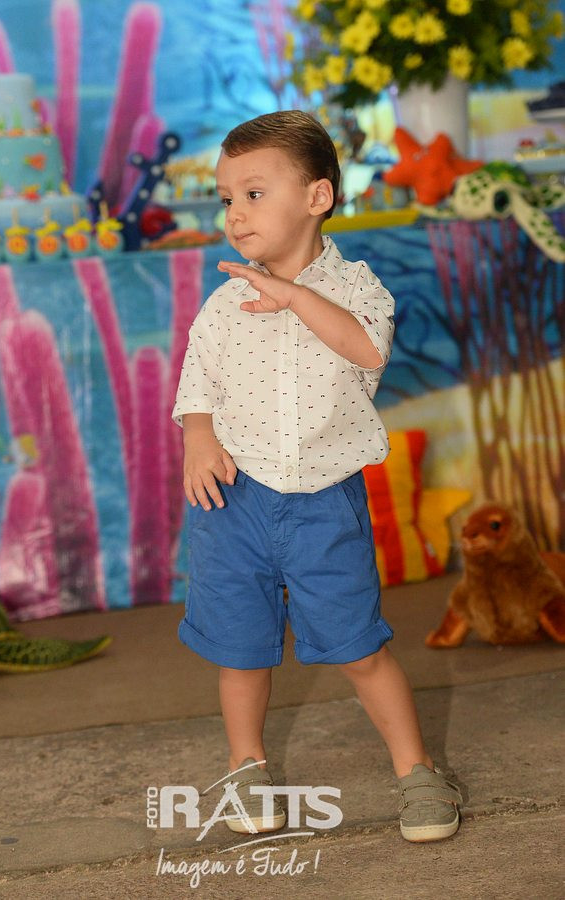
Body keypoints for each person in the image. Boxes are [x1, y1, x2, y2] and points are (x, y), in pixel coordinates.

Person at [172, 110, 462, 843]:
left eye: (254, 193)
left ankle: (418, 770)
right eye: (227, 198)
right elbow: (198, 381)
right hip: (234, 502)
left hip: (323, 505)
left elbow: (366, 352)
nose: (235, 214)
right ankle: (246, 766)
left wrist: (295, 297)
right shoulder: (224, 302)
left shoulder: (357, 289)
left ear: (317, 197)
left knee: (358, 646)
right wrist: (198, 437)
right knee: (241, 648)